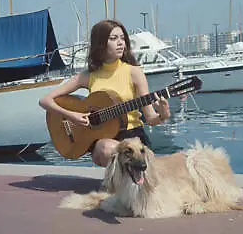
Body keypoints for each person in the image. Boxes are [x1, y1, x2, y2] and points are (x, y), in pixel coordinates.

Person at [39, 19, 171, 167]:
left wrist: (163, 115)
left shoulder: (134, 72)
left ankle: (124, 179)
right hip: (104, 139)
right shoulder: (88, 76)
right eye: (113, 38)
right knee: (106, 148)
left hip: (134, 137)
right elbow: (45, 101)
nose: (120, 43)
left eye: (122, 38)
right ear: (101, 43)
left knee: (131, 152)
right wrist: (72, 116)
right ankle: (121, 179)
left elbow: (151, 118)